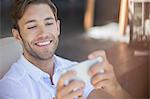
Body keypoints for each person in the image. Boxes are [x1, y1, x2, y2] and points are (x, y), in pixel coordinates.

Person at [0, 0, 132, 99]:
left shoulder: (74, 69)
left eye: (49, 23)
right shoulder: (11, 87)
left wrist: (116, 89)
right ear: (17, 35)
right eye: (32, 26)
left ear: (57, 27)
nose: (43, 33)